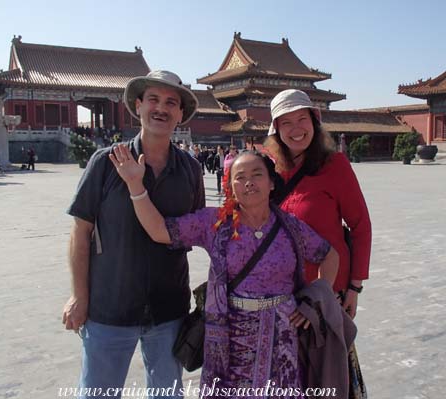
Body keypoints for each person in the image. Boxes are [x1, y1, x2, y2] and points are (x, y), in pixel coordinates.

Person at [109, 145, 339, 395]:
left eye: (257, 174)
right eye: (240, 177)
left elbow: (329, 256)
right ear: (230, 188)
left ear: (272, 182)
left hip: (283, 337)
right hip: (231, 339)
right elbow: (159, 230)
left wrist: (315, 299)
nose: (249, 182)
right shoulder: (215, 223)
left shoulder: (291, 227)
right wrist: (135, 185)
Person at [62, 70, 205, 399]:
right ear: (138, 106)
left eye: (171, 102)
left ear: (180, 114)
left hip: (169, 311)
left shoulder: (191, 170)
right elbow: (80, 233)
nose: (161, 109)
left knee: (168, 395)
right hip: (109, 308)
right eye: (153, 100)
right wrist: (79, 297)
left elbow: (196, 231)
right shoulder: (105, 162)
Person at [265, 89, 371, 396]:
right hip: (283, 298)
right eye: (286, 123)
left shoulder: (334, 165)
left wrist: (354, 287)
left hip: (327, 295)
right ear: (276, 130)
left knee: (330, 373)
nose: (296, 129)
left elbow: (361, 226)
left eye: (302, 119)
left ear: (315, 121)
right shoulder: (270, 171)